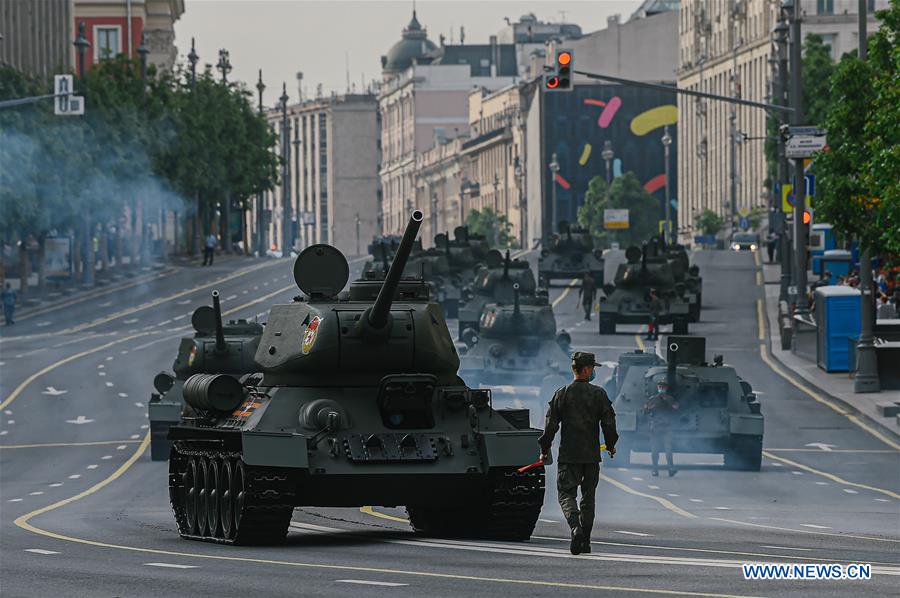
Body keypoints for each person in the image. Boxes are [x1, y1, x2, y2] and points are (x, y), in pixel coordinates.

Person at [538, 352, 618, 556]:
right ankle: (586, 541)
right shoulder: (598, 394)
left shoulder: (562, 393)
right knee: (588, 498)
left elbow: (550, 426)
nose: (593, 372)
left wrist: (544, 449)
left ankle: (575, 527)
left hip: (568, 455)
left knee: (566, 494)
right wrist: (610, 445)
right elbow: (609, 423)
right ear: (586, 369)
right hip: (591, 455)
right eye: (592, 368)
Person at [643, 379, 679, 477]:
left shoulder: (670, 399)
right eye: (660, 386)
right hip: (655, 427)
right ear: (657, 387)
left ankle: (671, 468)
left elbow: (676, 409)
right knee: (655, 450)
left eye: (663, 387)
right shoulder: (652, 399)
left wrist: (668, 402)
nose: (661, 388)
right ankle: (654, 469)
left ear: (666, 388)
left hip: (667, 427)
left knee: (668, 449)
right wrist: (649, 408)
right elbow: (645, 412)